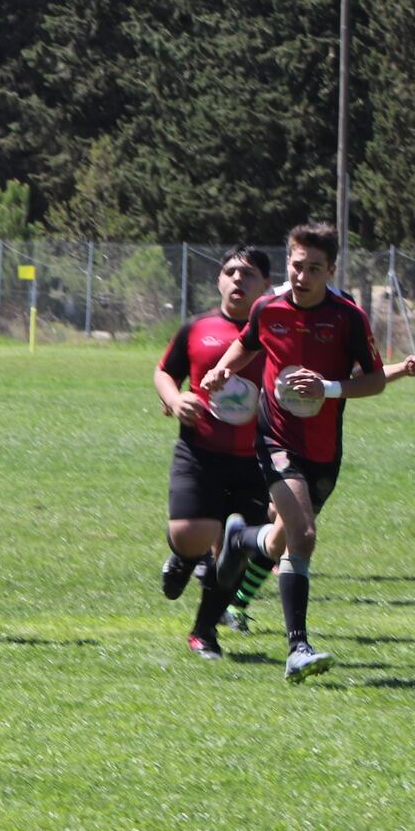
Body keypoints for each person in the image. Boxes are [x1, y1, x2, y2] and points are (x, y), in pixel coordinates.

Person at [205, 221, 387, 682]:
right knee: (304, 534)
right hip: (276, 439)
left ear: (331, 270)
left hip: (324, 449)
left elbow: (376, 380)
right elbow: (244, 346)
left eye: (314, 268)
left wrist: (327, 387)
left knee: (281, 537)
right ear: (287, 260)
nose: (302, 276)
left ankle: (240, 539)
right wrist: (222, 372)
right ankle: (298, 648)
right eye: (296, 265)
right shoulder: (268, 307)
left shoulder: (348, 317)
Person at [152, 244, 272, 658]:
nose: (238, 279)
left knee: (234, 556)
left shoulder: (278, 331)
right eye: (230, 271)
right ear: (219, 280)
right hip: (200, 449)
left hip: (257, 459)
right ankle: (185, 557)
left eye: (249, 273)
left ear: (266, 285)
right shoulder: (197, 328)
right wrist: (174, 398)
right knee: (191, 534)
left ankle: (204, 632)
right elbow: (165, 371)